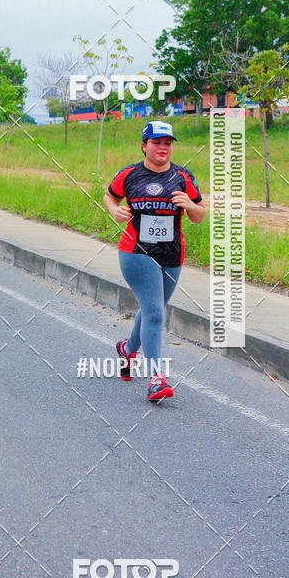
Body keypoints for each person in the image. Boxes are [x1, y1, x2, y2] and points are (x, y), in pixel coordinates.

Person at [103, 121, 205, 402]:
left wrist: (191, 205)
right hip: (136, 253)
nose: (163, 147)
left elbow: (199, 216)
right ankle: (156, 378)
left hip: (172, 255)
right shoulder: (130, 174)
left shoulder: (183, 177)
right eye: (157, 142)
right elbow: (109, 196)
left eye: (168, 143)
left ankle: (126, 349)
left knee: (152, 309)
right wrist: (114, 210)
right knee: (155, 313)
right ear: (144, 145)